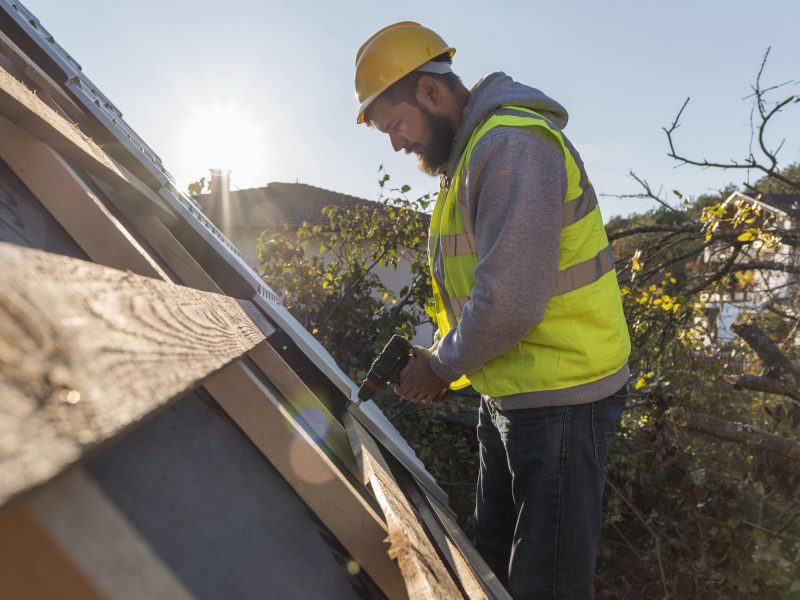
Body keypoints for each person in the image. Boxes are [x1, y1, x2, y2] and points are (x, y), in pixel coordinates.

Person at [355, 22, 631, 600]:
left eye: (395, 124)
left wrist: (441, 366)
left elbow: (510, 301)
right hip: (511, 395)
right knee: (492, 571)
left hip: (563, 399)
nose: (397, 143)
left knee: (545, 586)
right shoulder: (470, 159)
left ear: (430, 92)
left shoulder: (510, 145)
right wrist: (439, 355)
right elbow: (472, 293)